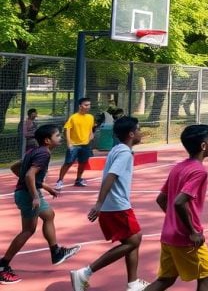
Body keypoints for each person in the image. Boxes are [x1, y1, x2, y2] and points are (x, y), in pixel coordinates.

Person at [70, 116, 147, 291]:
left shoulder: (117, 149)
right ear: (131, 133)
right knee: (133, 241)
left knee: (135, 238)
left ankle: (133, 283)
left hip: (115, 204)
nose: (141, 133)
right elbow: (111, 176)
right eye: (139, 129)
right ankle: (85, 272)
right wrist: (98, 203)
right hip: (117, 205)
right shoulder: (125, 153)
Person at [0, 124, 81, 285]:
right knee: (28, 230)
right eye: (57, 135)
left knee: (49, 214)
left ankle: (56, 252)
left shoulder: (34, 151)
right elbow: (29, 175)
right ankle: (3, 265)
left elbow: (16, 167)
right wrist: (35, 196)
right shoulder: (44, 154)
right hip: (27, 196)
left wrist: (45, 187)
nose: (61, 137)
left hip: (28, 193)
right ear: (47, 140)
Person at [141, 123, 208, 291]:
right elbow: (180, 201)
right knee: (206, 276)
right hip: (186, 238)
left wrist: (173, 221)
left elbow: (161, 199)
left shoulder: (178, 167)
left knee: (165, 280)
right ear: (203, 146)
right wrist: (192, 231)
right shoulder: (199, 171)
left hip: (168, 235)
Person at [57, 98, 97, 188]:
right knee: (68, 162)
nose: (88, 107)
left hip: (85, 144)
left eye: (89, 105)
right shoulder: (73, 117)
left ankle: (78, 179)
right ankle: (60, 180)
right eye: (86, 105)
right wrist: (69, 142)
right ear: (80, 106)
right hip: (74, 144)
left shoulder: (90, 117)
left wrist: (91, 134)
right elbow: (67, 129)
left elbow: (91, 128)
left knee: (83, 162)